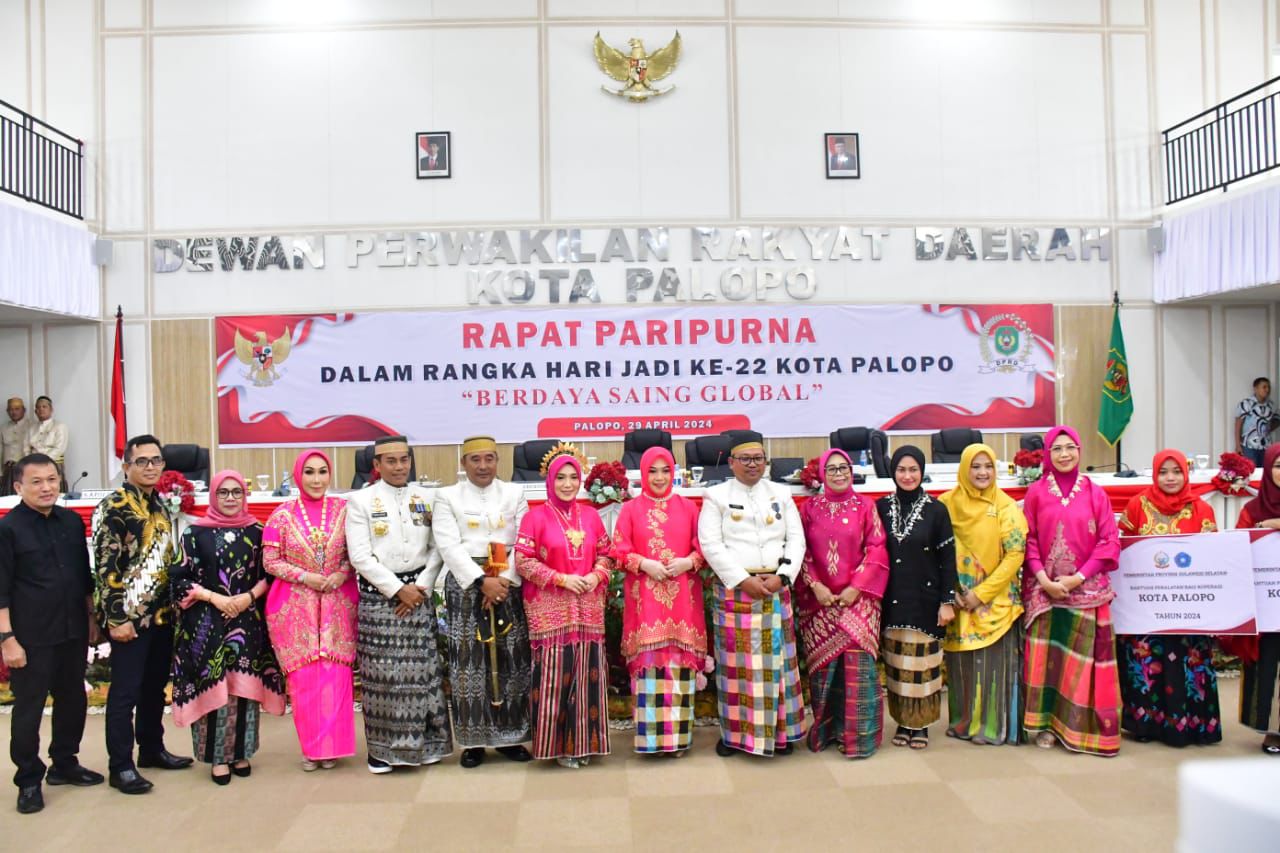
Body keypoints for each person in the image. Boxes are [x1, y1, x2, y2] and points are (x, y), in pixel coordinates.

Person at [0, 454, 103, 814]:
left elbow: (83, 575)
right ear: (18, 487)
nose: (46, 487)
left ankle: (65, 763)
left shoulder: (72, 522)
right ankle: (28, 779)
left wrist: (91, 617)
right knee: (29, 709)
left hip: (72, 628)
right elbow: (1, 589)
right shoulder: (9, 528)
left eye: (52, 480)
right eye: (37, 482)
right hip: (31, 635)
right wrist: (7, 639)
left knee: (73, 699)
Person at [170, 470, 286, 784]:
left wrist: (248, 597)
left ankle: (242, 751)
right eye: (224, 492)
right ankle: (216, 757)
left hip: (247, 619)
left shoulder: (258, 531)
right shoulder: (194, 534)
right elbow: (179, 579)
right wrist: (214, 599)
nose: (231, 498)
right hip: (207, 622)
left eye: (236, 492)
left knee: (244, 688)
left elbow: (270, 574)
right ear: (214, 496)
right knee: (215, 684)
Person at [92, 434, 193, 795]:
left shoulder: (161, 505)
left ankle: (151, 749)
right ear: (126, 466)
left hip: (161, 617)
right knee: (125, 694)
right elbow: (106, 568)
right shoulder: (114, 506)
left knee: (153, 689)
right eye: (142, 462)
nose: (150, 467)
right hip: (129, 620)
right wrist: (117, 619)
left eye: (156, 461)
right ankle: (120, 766)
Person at [345, 436, 452, 773]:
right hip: (381, 600)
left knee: (422, 674)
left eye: (403, 460)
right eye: (390, 461)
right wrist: (396, 590)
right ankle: (381, 752)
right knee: (383, 676)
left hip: (418, 593)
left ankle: (426, 746)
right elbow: (360, 556)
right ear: (376, 466)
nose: (398, 467)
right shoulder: (360, 501)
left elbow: (439, 546)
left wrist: (420, 587)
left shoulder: (429, 497)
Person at [698, 439, 806, 758]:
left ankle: (781, 734)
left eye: (758, 458)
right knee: (737, 669)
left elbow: (796, 539)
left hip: (775, 587)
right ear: (731, 462)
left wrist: (782, 576)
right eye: (744, 459)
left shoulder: (781, 493)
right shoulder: (716, 496)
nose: (752, 464)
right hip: (735, 590)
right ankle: (735, 736)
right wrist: (743, 580)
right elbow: (711, 544)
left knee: (777, 665)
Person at [432, 435, 533, 768]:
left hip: (506, 582)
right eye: (475, 460)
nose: (483, 466)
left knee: (511, 658)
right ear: (464, 464)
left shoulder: (515, 493)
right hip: (466, 585)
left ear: (497, 460)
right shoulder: (447, 496)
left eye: (489, 459)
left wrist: (503, 580)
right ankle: (473, 741)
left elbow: (524, 540)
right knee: (468, 663)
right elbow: (447, 544)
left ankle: (512, 737)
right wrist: (481, 581)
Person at [1022, 425, 1122, 757]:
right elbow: (1029, 540)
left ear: (1080, 451)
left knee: (1082, 665)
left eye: (1070, 447)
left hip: (1087, 590)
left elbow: (1109, 543)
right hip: (1046, 591)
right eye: (1057, 449)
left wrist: (1077, 579)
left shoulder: (1096, 493)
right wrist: (1045, 580)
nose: (1064, 454)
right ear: (1047, 455)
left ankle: (1082, 727)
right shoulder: (1036, 493)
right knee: (1050, 661)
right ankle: (1048, 726)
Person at [514, 447, 613, 768]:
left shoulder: (592, 516)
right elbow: (523, 561)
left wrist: (596, 574)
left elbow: (607, 554)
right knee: (555, 677)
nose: (568, 484)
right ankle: (557, 747)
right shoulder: (535, 516)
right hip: (550, 611)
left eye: (573, 477)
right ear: (550, 480)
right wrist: (560, 579)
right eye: (561, 477)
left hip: (588, 608)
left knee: (588, 676)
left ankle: (584, 744)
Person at [1116, 449, 1221, 748]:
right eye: (1164, 471)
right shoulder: (1138, 505)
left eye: (1176, 471)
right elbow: (1123, 550)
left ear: (1185, 473)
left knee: (1188, 661)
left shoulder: (1201, 509)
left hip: (1189, 609)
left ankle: (1194, 726)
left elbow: (1214, 558)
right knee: (1146, 661)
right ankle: (1145, 725)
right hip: (1146, 609)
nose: (1171, 478)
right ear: (1154, 473)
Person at [263, 449, 358, 771]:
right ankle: (312, 749)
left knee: (335, 675)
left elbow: (358, 552)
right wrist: (305, 576)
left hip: (337, 603)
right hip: (296, 607)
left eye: (322, 472)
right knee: (306, 680)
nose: (316, 479)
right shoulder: (281, 515)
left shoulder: (346, 511)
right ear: (298, 476)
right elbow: (270, 561)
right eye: (309, 472)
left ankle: (333, 747)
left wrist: (341, 573)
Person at [613, 446, 708, 756]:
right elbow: (618, 552)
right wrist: (644, 564)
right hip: (645, 603)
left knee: (679, 667)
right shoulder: (630, 509)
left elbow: (705, 549)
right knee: (649, 667)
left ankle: (678, 739)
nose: (658, 477)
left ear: (674, 472)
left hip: (683, 599)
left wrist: (687, 562)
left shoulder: (689, 507)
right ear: (642, 473)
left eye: (664, 470)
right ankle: (651, 739)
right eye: (652, 471)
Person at [796, 448, 889, 758]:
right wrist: (816, 585)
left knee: (858, 671)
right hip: (819, 603)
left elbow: (876, 548)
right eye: (832, 469)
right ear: (822, 474)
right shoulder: (809, 508)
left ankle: (858, 740)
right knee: (824, 674)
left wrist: (856, 587)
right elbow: (801, 551)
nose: (839, 473)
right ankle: (827, 732)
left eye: (844, 468)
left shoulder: (866, 506)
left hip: (857, 601)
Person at [939, 442, 1027, 746]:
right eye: (975, 466)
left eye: (988, 466)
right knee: (962, 666)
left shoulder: (1005, 507)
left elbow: (1015, 555)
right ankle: (963, 723)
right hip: (957, 600)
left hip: (995, 602)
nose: (982, 472)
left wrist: (981, 594)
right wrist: (952, 592)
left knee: (992, 666)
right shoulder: (945, 504)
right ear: (964, 468)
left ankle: (992, 727)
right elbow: (936, 550)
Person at [876, 446, 956, 751]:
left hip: (926, 599)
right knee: (897, 665)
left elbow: (948, 559)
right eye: (901, 470)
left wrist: (947, 600)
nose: (907, 476)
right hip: (893, 599)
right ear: (893, 472)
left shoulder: (937, 510)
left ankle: (920, 724)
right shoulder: (881, 507)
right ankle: (902, 720)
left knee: (923, 666)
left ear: (922, 471)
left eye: (913, 469)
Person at [1233, 443, 1280, 754]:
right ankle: (1272, 729)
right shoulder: (1253, 510)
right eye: (1277, 465)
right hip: (1268, 606)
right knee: (1267, 666)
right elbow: (1235, 553)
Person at [1236, 377, 1277, 467]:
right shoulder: (1246, 403)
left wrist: (1269, 428)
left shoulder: (1271, 405)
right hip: (1249, 446)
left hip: (1266, 445)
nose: (1267, 390)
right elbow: (1238, 424)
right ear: (1255, 388)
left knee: (1265, 471)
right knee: (1250, 471)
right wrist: (1238, 445)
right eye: (1264, 387)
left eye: (1268, 387)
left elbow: (1277, 419)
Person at [1, 397, 35, 495]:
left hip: (26, 470)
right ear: (7, 411)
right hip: (8, 470)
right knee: (7, 500)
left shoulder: (32, 426)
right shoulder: (3, 428)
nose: (14, 412)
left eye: (17, 409)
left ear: (24, 410)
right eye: (11, 409)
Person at [24, 396, 69, 469]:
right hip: (33, 465)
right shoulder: (31, 429)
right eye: (38, 407)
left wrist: (43, 461)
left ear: (51, 410)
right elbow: (26, 448)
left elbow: (59, 448)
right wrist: (30, 461)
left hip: (53, 464)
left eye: (44, 407)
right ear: (35, 411)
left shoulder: (59, 426)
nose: (41, 409)